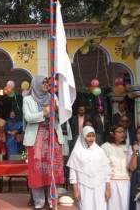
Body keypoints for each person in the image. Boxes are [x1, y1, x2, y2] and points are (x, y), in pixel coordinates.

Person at [23, 75, 64, 210]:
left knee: (51, 169)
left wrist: (57, 108)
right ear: (36, 84)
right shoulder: (28, 99)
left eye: (47, 83)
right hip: (37, 139)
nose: (47, 85)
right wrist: (43, 113)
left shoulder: (53, 97)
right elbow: (28, 117)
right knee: (37, 170)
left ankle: (52, 200)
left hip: (53, 137)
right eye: (44, 83)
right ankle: (39, 202)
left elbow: (62, 116)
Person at [67, 126, 111, 210]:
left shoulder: (100, 151)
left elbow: (107, 172)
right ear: (83, 136)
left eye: (93, 136)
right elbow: (73, 174)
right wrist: (75, 190)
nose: (91, 138)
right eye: (88, 136)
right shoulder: (76, 152)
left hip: (100, 187)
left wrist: (108, 189)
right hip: (83, 186)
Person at [101, 125, 130, 210]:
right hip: (112, 183)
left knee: (125, 206)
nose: (122, 134)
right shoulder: (105, 147)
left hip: (126, 182)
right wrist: (107, 187)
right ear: (112, 134)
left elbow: (129, 166)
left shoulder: (127, 147)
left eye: (123, 131)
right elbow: (103, 169)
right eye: (119, 131)